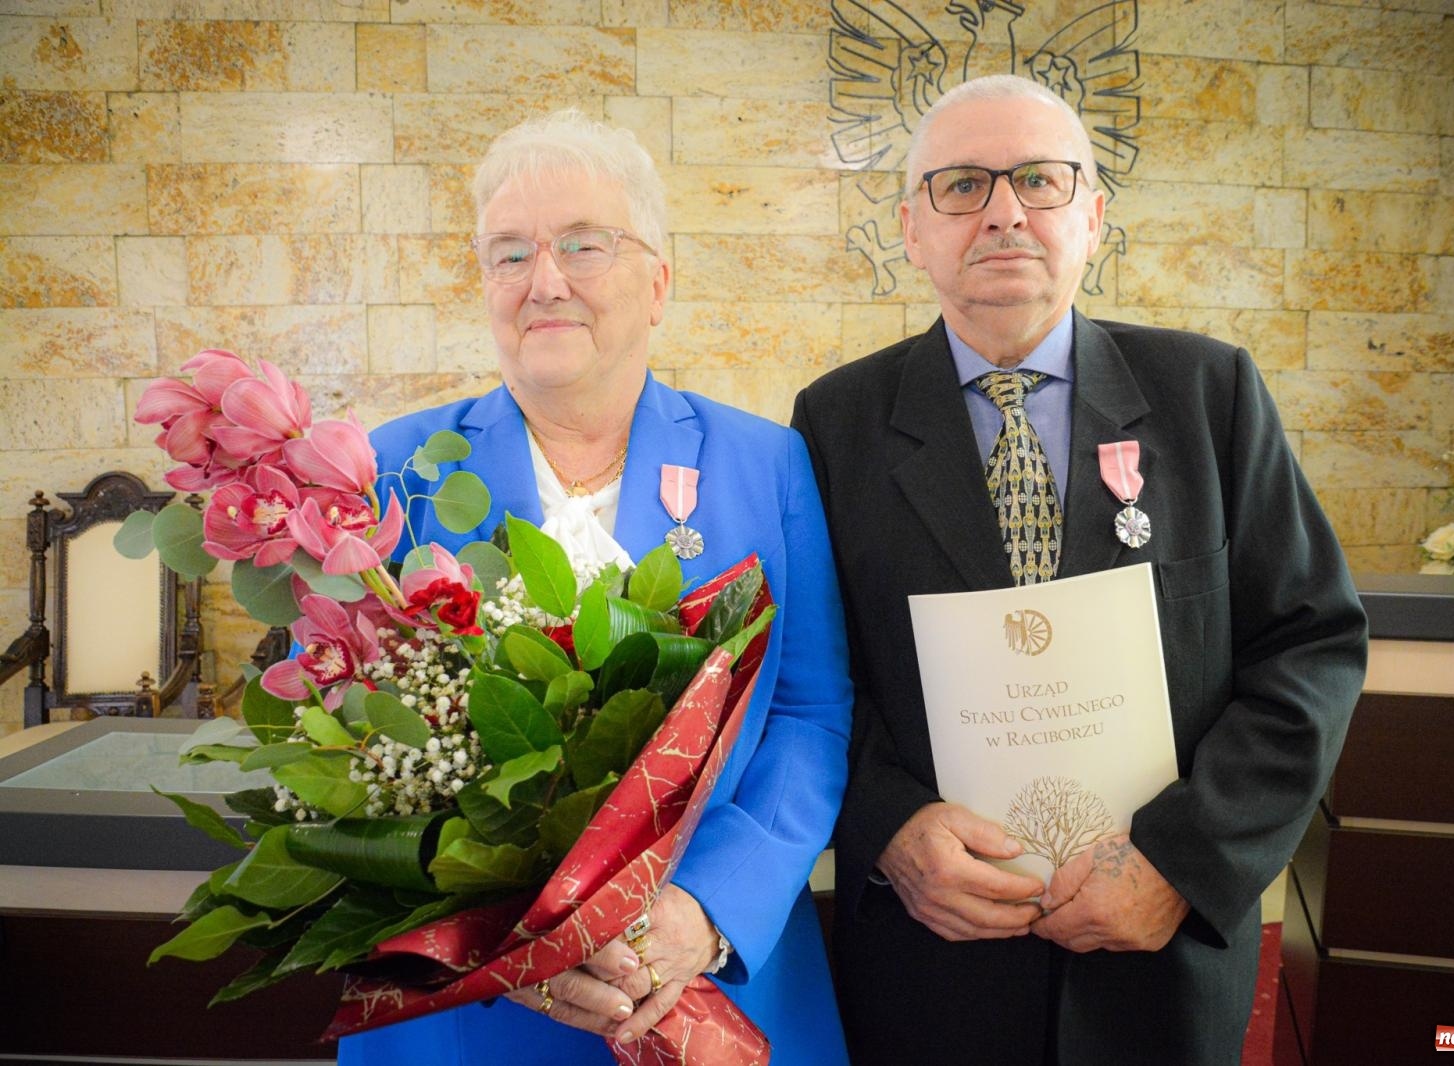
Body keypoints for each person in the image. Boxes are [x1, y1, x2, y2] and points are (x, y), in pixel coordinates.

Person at [792, 74, 1369, 1065]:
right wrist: (886, 827)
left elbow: (1310, 647)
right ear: (911, 230)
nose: (1005, 211)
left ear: (1093, 216)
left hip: (1160, 980)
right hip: (932, 974)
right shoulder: (833, 424)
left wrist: (1183, 863)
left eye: (1041, 181)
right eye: (961, 185)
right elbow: (810, 683)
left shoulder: (1209, 395)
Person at [337, 110, 852, 1065]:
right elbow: (338, 730)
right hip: (468, 1011)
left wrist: (709, 908)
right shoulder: (393, 471)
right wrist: (501, 941)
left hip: (708, 987)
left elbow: (812, 715)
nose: (546, 282)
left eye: (584, 244)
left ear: (658, 283)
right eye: (509, 255)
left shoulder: (767, 463)